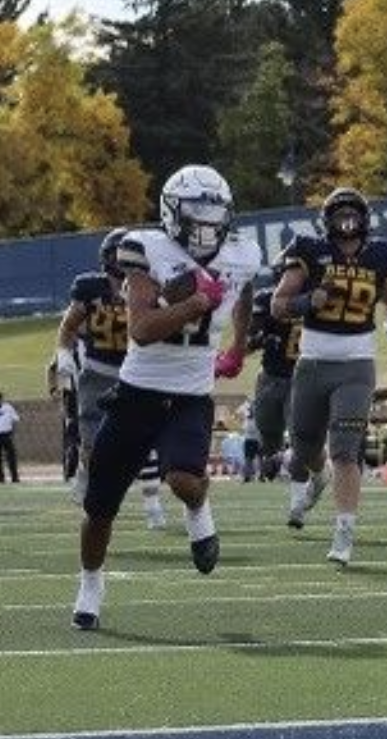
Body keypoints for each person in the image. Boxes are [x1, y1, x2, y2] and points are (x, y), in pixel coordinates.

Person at [72, 164, 259, 630]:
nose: (207, 222)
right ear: (173, 212)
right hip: (137, 391)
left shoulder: (242, 253)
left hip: (190, 395)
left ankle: (200, 507)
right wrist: (192, 305)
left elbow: (245, 292)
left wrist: (238, 342)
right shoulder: (145, 248)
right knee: (99, 507)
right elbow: (140, 329)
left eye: (214, 212)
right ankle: (90, 583)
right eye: (197, 211)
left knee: (184, 481)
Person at [270, 186, 387, 565]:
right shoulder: (309, 252)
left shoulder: (382, 255)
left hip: (356, 363)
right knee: (305, 445)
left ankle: (344, 533)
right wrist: (304, 302)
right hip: (313, 361)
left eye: (353, 213)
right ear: (327, 220)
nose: (347, 221)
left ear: (365, 219)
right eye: (339, 213)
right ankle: (317, 476)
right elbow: (278, 305)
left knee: (346, 449)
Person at [54, 229, 168, 526]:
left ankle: (152, 502)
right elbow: (68, 326)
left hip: (136, 372)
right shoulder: (91, 288)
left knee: (146, 439)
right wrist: (64, 355)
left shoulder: (150, 287)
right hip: (96, 372)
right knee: (92, 442)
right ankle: (84, 471)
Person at [247, 275, 300, 482]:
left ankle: (296, 471)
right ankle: (273, 463)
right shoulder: (267, 298)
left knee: (299, 430)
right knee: (267, 429)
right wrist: (259, 339)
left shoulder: (312, 297)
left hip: (302, 376)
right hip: (271, 375)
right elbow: (249, 337)